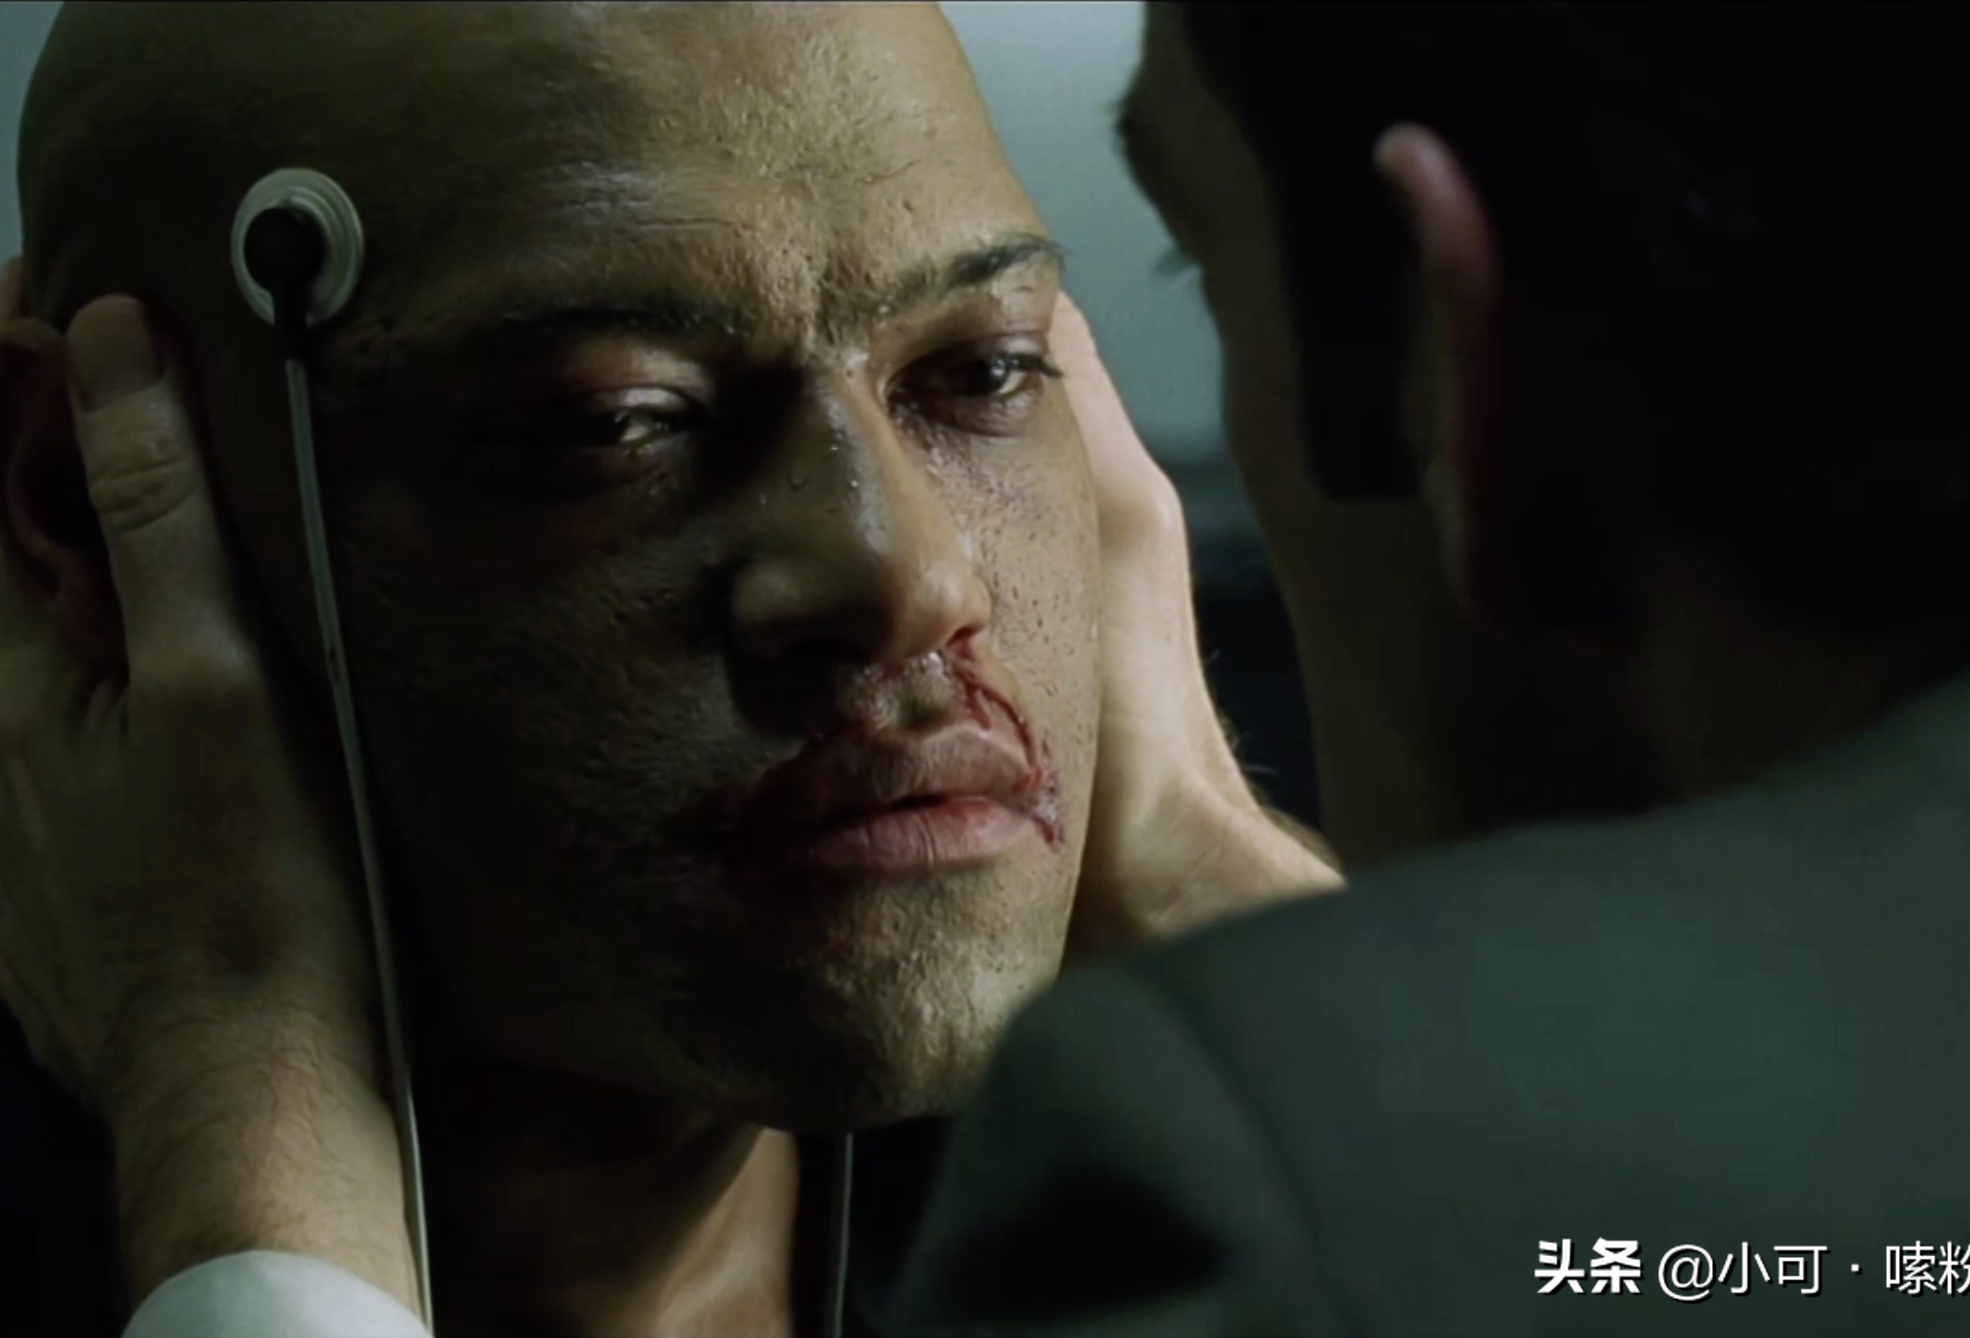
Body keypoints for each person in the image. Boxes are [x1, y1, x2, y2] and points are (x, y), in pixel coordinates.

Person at [0, 3, 1333, 1335]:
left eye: (984, 372)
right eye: (616, 420)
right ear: (73, 498)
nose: (913, 579)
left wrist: (1198, 872)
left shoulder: (1157, 1187)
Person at [888, 3, 1970, 1335]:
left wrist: (1212, 899)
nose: (914, 577)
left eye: (1197, 265)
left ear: (1459, 368)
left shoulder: (1263, 1171)